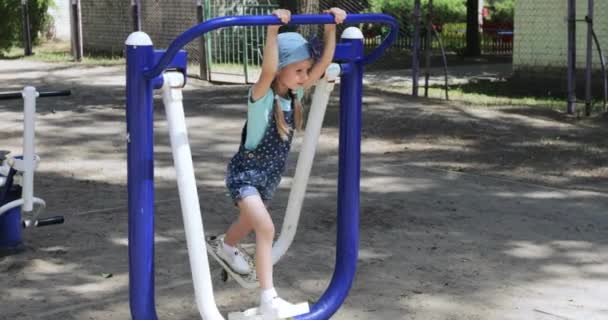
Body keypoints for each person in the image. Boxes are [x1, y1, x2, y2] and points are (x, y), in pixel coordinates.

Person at [214, 7, 347, 318]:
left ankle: (226, 246)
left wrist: (331, 28)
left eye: (305, 71)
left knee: (248, 224)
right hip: (245, 177)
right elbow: (267, 70)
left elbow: (323, 64)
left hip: (266, 182)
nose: (305, 77)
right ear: (282, 69)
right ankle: (268, 298)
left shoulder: (293, 96)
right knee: (265, 228)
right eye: (298, 70)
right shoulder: (262, 98)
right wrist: (272, 32)